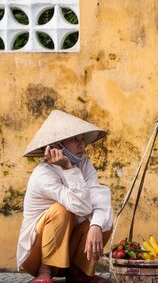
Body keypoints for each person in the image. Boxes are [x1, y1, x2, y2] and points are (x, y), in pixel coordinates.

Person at [16, 110, 113, 283]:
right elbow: (81, 207)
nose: (81, 145)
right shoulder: (43, 174)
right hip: (36, 254)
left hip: (67, 251)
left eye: (82, 139)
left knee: (103, 218)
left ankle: (79, 272)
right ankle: (44, 272)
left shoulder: (84, 165)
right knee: (62, 210)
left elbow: (100, 199)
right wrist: (68, 169)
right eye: (75, 139)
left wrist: (97, 225)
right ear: (56, 146)